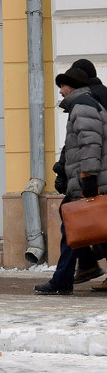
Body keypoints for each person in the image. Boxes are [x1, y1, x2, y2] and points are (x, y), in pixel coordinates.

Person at [35, 67, 107, 295]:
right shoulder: (84, 105)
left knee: (72, 228)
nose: (60, 92)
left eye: (62, 86)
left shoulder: (83, 106)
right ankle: (74, 273)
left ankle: (63, 280)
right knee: (77, 228)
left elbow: (90, 145)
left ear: (71, 86)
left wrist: (88, 178)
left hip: (90, 181)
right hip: (87, 179)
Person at [68, 59, 107, 285]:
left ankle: (87, 264)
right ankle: (87, 264)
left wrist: (88, 175)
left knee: (76, 217)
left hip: (96, 170)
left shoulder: (87, 99)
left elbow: (90, 140)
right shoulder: (101, 94)